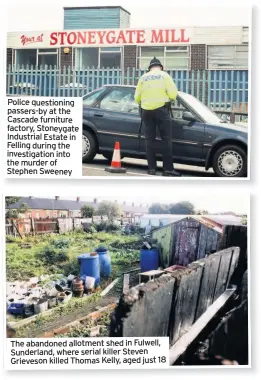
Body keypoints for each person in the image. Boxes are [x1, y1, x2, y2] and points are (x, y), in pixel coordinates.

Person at [135, 57, 180, 176]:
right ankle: (168, 170)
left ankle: (151, 169)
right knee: (166, 139)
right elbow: (173, 93)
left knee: (149, 140)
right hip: (161, 110)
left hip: (146, 111)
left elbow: (137, 97)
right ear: (160, 67)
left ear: (149, 68)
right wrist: (169, 99)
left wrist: (145, 103)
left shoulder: (143, 77)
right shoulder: (164, 76)